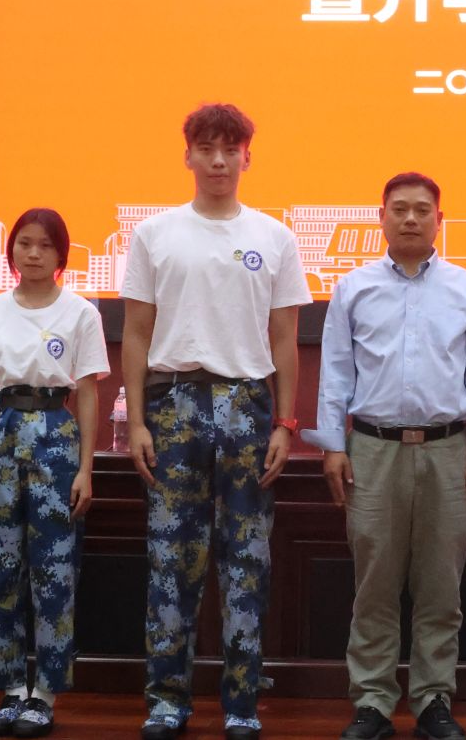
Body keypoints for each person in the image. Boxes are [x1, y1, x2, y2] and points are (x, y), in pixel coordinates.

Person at [122, 103, 311, 740]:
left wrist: (285, 422)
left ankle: (241, 704)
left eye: (231, 149)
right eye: (207, 148)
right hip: (173, 405)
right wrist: (138, 421)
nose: (219, 161)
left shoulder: (274, 237)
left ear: (248, 157)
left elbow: (284, 339)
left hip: (247, 407)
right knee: (170, 560)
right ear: (188, 156)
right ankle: (166, 700)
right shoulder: (155, 234)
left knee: (246, 561)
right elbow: (136, 333)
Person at [310, 172, 466, 740]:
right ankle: (372, 702)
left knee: (441, 586)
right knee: (374, 584)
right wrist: (332, 446)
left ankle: (433, 700)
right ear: (382, 217)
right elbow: (335, 372)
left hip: (448, 450)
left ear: (440, 219)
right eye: (400, 209)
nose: (411, 218)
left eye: (422, 209)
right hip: (372, 450)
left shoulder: (465, 288)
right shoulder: (353, 288)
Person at [0, 208, 111, 739]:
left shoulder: (80, 312)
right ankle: (8, 688)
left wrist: (86, 468)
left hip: (54, 432)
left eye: (45, 245)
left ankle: (44, 692)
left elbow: (87, 393)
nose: (33, 253)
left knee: (54, 570)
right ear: (11, 252)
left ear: (61, 254)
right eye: (24, 243)